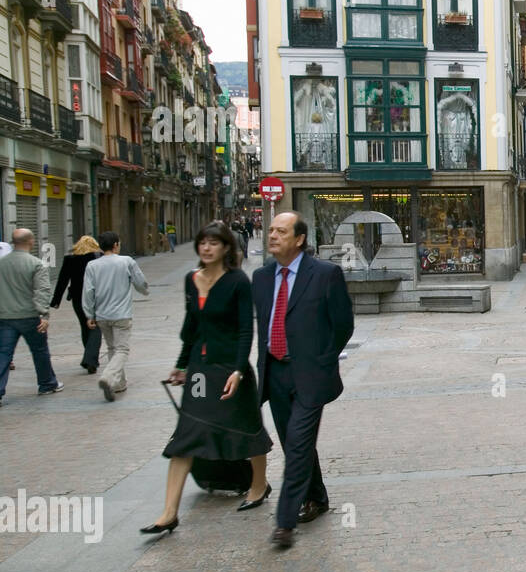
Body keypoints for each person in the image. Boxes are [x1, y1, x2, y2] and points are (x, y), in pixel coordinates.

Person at [142, 222, 275, 535]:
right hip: (200, 372)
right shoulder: (192, 280)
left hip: (231, 369)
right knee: (185, 436)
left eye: (214, 242)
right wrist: (181, 364)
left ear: (226, 248)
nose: (207, 247)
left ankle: (259, 485)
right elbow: (192, 326)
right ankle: (168, 513)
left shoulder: (238, 281)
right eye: (203, 242)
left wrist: (239, 370)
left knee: (246, 430)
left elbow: (246, 329)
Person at [254, 211, 354, 548]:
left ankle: (285, 522)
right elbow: (263, 324)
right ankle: (318, 498)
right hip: (276, 371)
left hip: (310, 373)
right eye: (270, 230)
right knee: (293, 442)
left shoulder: (325, 274)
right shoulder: (262, 277)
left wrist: (323, 360)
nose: (272, 236)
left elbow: (343, 324)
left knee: (297, 443)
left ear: (299, 239)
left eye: (281, 231)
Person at [83, 231, 149, 402]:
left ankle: (118, 384)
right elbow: (140, 283)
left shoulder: (92, 265)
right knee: (122, 349)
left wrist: (89, 314)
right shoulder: (126, 261)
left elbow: (88, 292)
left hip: (102, 315)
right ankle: (108, 377)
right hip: (121, 314)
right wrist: (144, 290)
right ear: (115, 245)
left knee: (112, 348)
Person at [0, 228, 63, 406]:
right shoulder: (36, 264)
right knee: (40, 351)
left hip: (5, 317)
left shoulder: (2, 263)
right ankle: (47, 383)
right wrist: (44, 314)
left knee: (3, 353)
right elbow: (42, 290)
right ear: (31, 241)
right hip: (30, 316)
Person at [50, 235, 103, 374]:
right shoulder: (99, 257)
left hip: (78, 299)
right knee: (95, 327)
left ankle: (89, 357)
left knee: (84, 326)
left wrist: (56, 301)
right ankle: (91, 359)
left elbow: (62, 280)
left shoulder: (70, 259)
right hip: (96, 298)